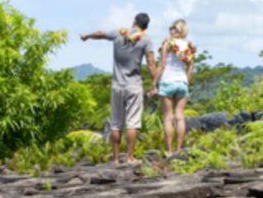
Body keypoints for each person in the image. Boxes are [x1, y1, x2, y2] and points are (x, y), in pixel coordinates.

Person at [80, 13, 158, 163]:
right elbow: (151, 63)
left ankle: (115, 159)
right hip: (134, 85)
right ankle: (129, 157)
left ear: (134, 21)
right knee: (133, 122)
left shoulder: (119, 33)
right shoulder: (146, 40)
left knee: (115, 124)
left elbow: (100, 34)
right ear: (146, 26)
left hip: (117, 85)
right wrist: (154, 84)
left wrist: (87, 36)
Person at [151, 18, 195, 155]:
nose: (170, 30)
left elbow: (162, 65)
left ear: (179, 30)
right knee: (180, 116)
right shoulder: (190, 47)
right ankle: (179, 149)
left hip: (167, 81)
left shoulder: (167, 44)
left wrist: (154, 83)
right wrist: (186, 83)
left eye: (173, 28)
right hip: (182, 82)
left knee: (168, 117)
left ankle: (169, 151)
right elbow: (190, 68)